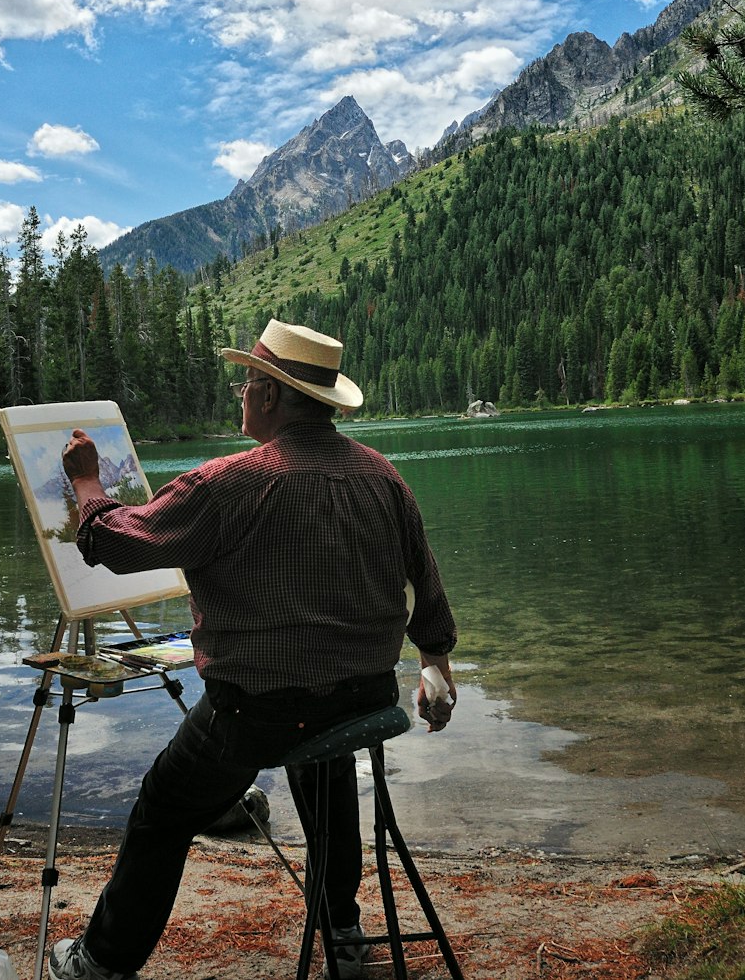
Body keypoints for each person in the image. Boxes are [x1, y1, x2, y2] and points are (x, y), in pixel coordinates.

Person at [49, 318, 457, 980]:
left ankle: (98, 965)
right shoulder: (383, 476)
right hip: (363, 700)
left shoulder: (229, 482)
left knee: (163, 805)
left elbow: (114, 543)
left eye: (247, 384)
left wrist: (88, 485)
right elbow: (428, 585)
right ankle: (344, 931)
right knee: (323, 767)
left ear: (270, 396)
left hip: (261, 710)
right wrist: (437, 663)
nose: (240, 394)